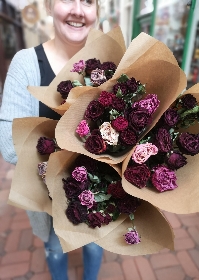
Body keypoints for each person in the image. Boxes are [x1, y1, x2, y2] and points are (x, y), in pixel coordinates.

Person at [0, 1, 103, 279]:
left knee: (95, 245)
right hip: (49, 199)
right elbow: (9, 145)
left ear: (97, 10)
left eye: (88, 1)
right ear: (49, 6)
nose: (78, 10)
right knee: (55, 246)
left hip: (101, 197)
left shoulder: (112, 65)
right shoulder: (26, 64)